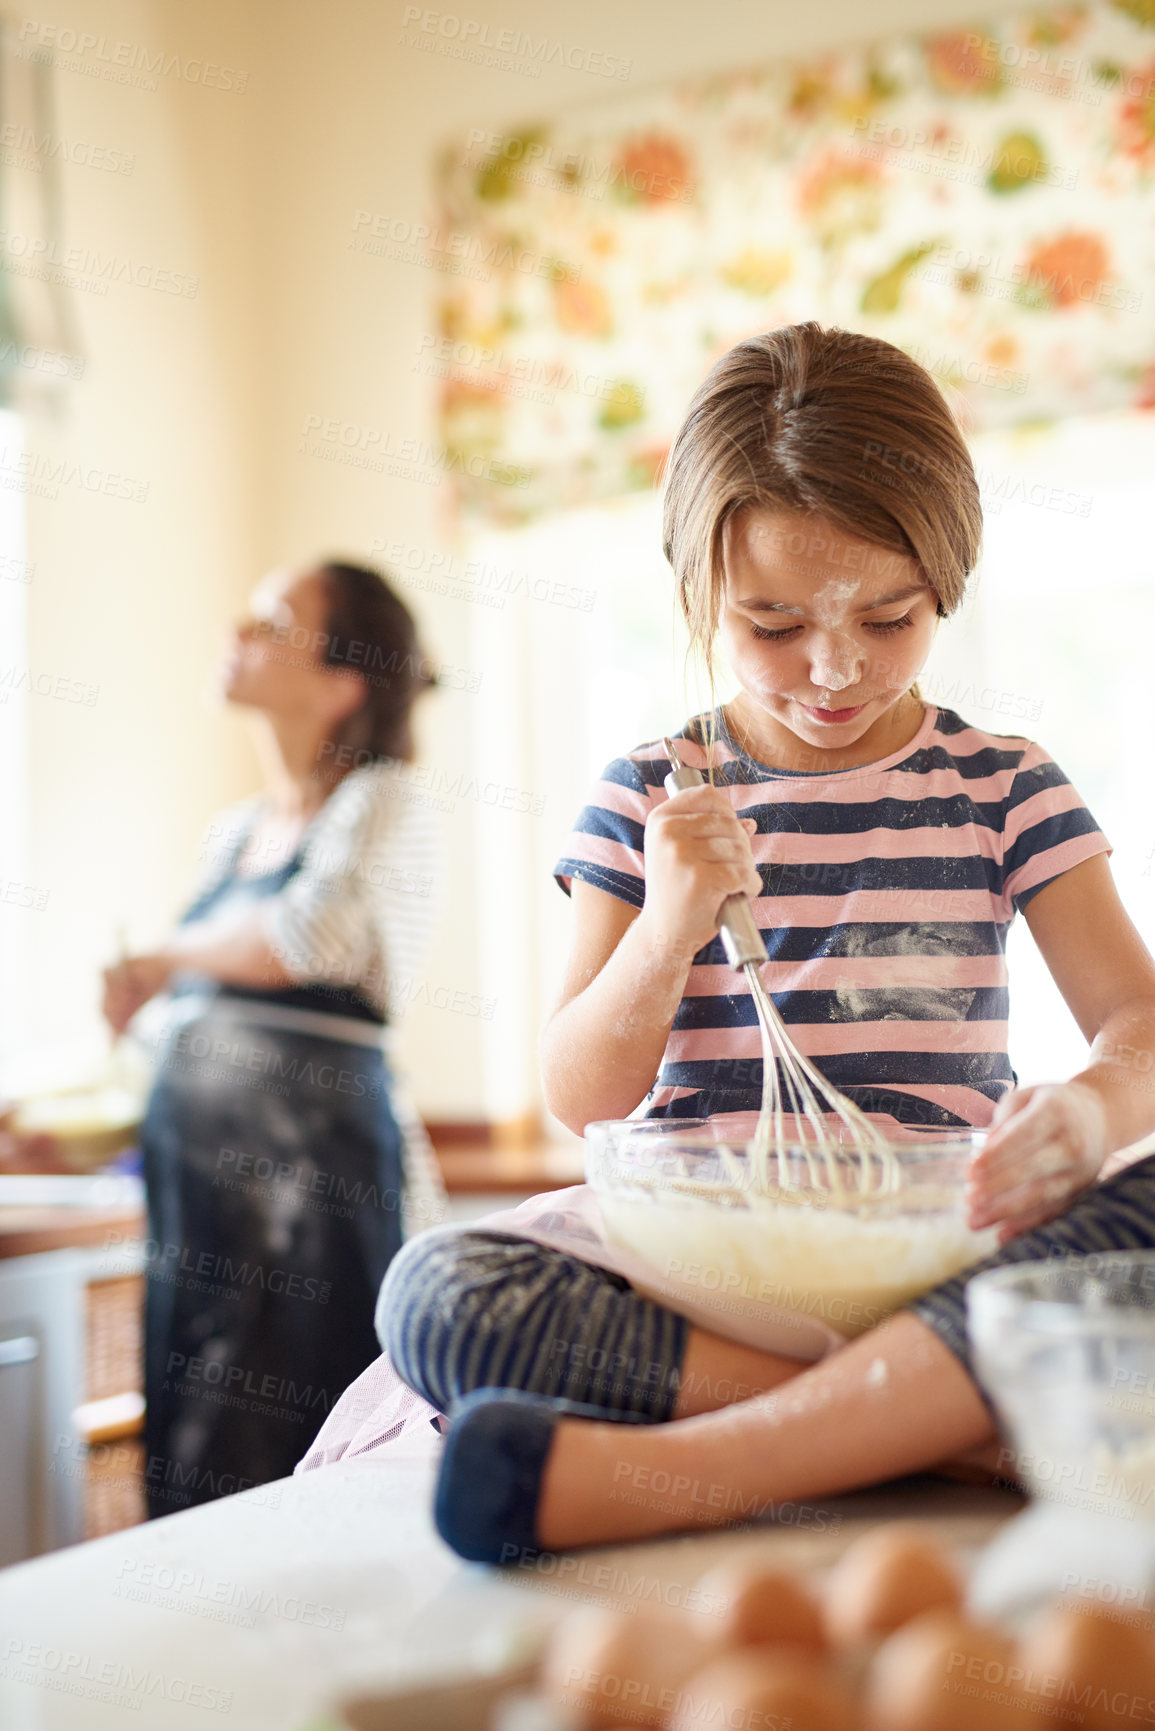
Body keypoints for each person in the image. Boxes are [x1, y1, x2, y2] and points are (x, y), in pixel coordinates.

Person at [301, 325, 1155, 1562]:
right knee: (440, 1296)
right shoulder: (650, 791)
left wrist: (1085, 1112)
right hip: (693, 1274)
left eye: (891, 613)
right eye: (772, 623)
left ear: (948, 576)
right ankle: (920, 1432)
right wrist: (666, 927)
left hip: (942, 1257)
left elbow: (1139, 1024)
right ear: (701, 593)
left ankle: (703, 1461)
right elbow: (581, 1094)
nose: (835, 665)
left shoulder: (1003, 784)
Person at [103, 558, 444, 1514]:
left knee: (310, 1439)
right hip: (203, 1211)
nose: (237, 631)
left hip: (318, 1188)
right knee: (199, 1436)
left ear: (342, 684)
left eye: (269, 622)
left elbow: (310, 934)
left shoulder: (384, 799)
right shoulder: (233, 831)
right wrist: (141, 1019)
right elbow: (199, 1015)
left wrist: (159, 957)